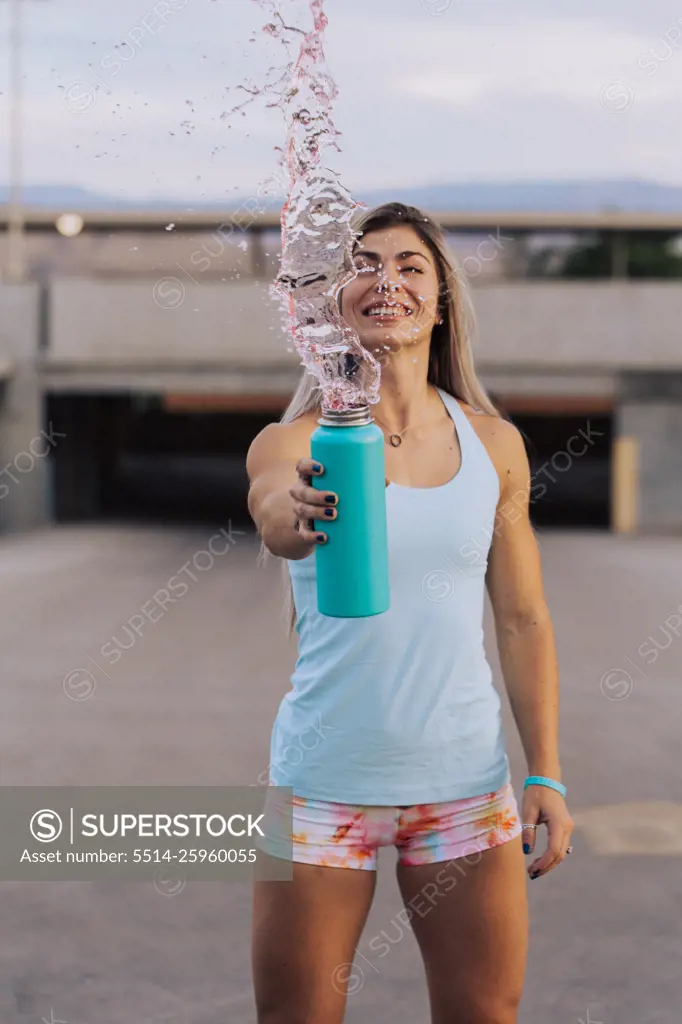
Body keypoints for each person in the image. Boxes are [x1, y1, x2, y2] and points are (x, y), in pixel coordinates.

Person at [246, 202, 574, 1024]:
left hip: (464, 784)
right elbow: (276, 519)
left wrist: (546, 772)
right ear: (334, 302)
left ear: (441, 301)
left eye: (410, 266)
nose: (385, 280)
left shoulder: (494, 444)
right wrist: (296, 510)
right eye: (364, 263)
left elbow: (524, 619)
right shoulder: (295, 441)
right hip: (322, 786)